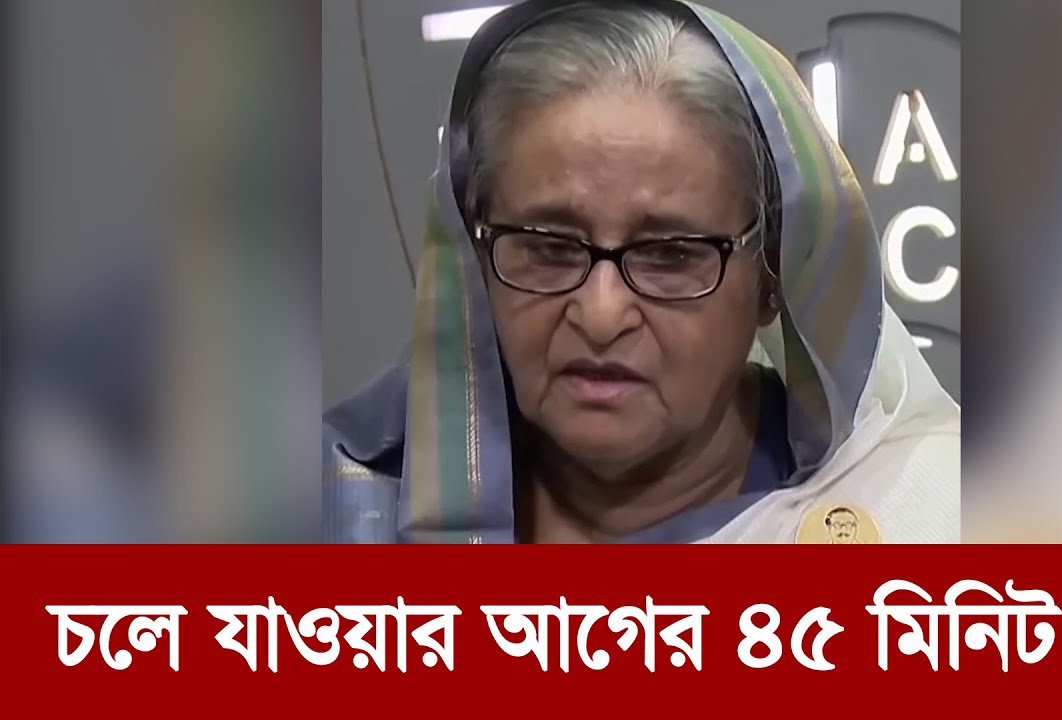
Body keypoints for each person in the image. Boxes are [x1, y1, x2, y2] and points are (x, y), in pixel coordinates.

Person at [323, 0, 960, 543]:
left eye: (671, 254)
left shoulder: (939, 523)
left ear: (772, 274)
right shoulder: (337, 518)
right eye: (548, 246)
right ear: (475, 257)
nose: (601, 315)